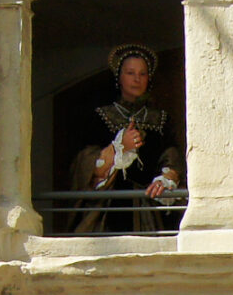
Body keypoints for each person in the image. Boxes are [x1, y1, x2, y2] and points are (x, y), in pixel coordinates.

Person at [70, 45, 180, 235]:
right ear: (119, 78)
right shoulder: (100, 116)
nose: (137, 79)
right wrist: (119, 148)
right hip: (108, 210)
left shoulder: (161, 119)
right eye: (130, 73)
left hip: (149, 209)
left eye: (142, 74)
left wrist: (167, 178)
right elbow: (84, 162)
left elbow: (172, 157)